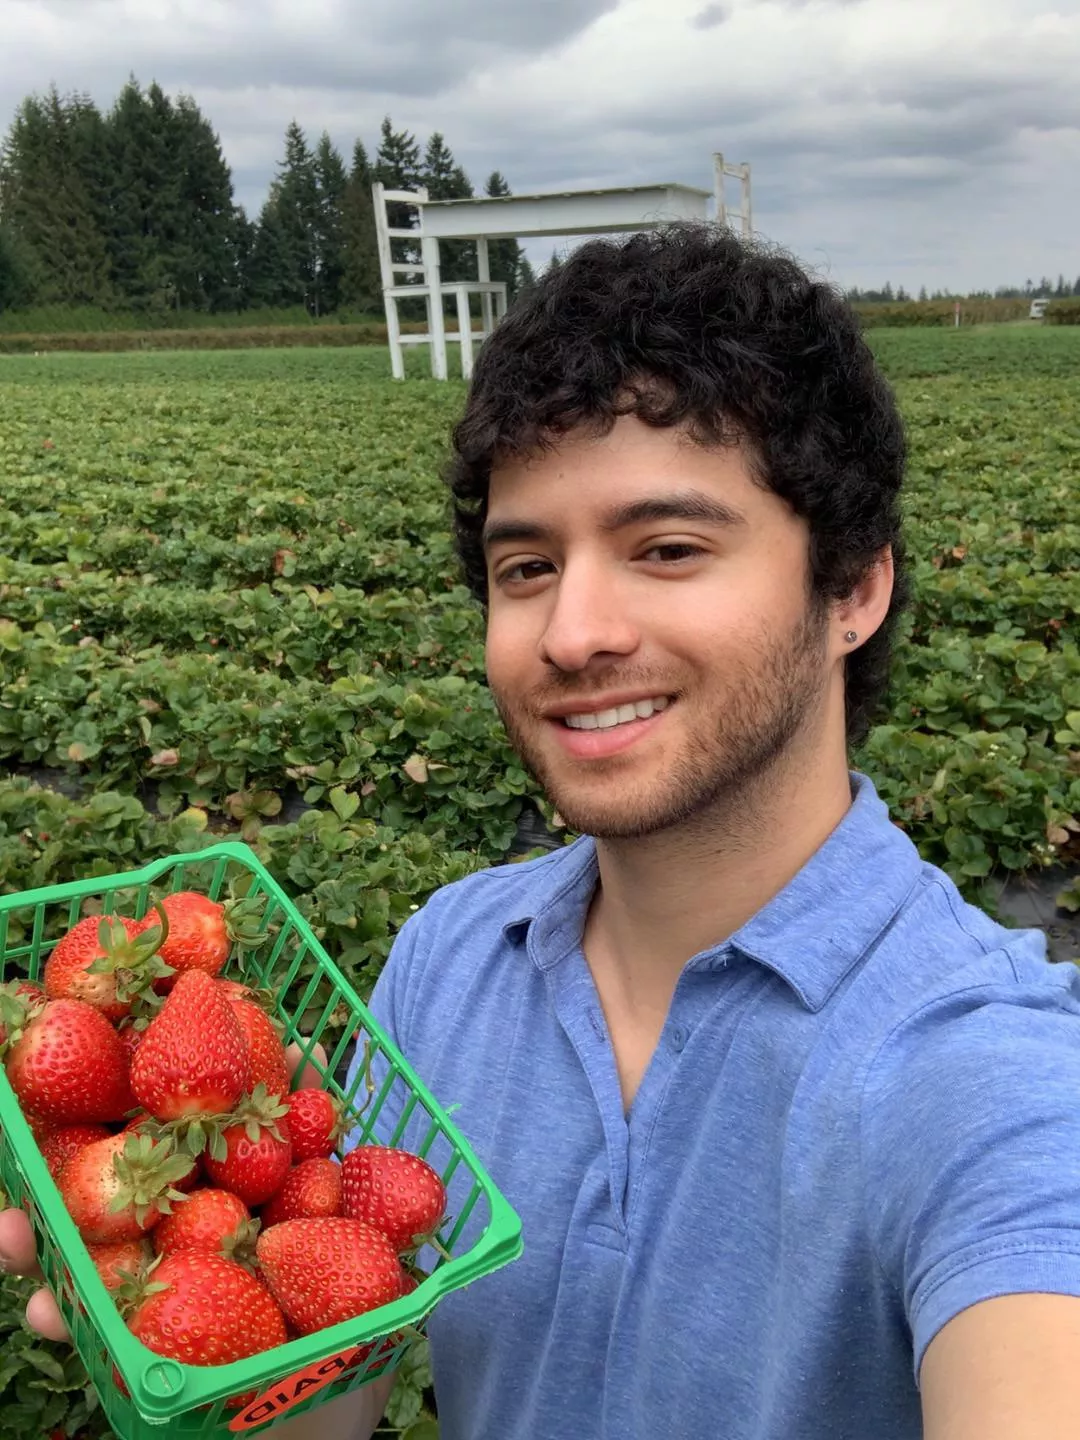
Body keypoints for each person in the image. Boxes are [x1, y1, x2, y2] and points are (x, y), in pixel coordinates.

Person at [4, 223, 1080, 1439]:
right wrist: (193, 1302)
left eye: (666, 549)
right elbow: (332, 1412)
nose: (572, 632)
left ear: (852, 590)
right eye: (525, 567)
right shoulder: (446, 963)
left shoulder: (987, 1074)